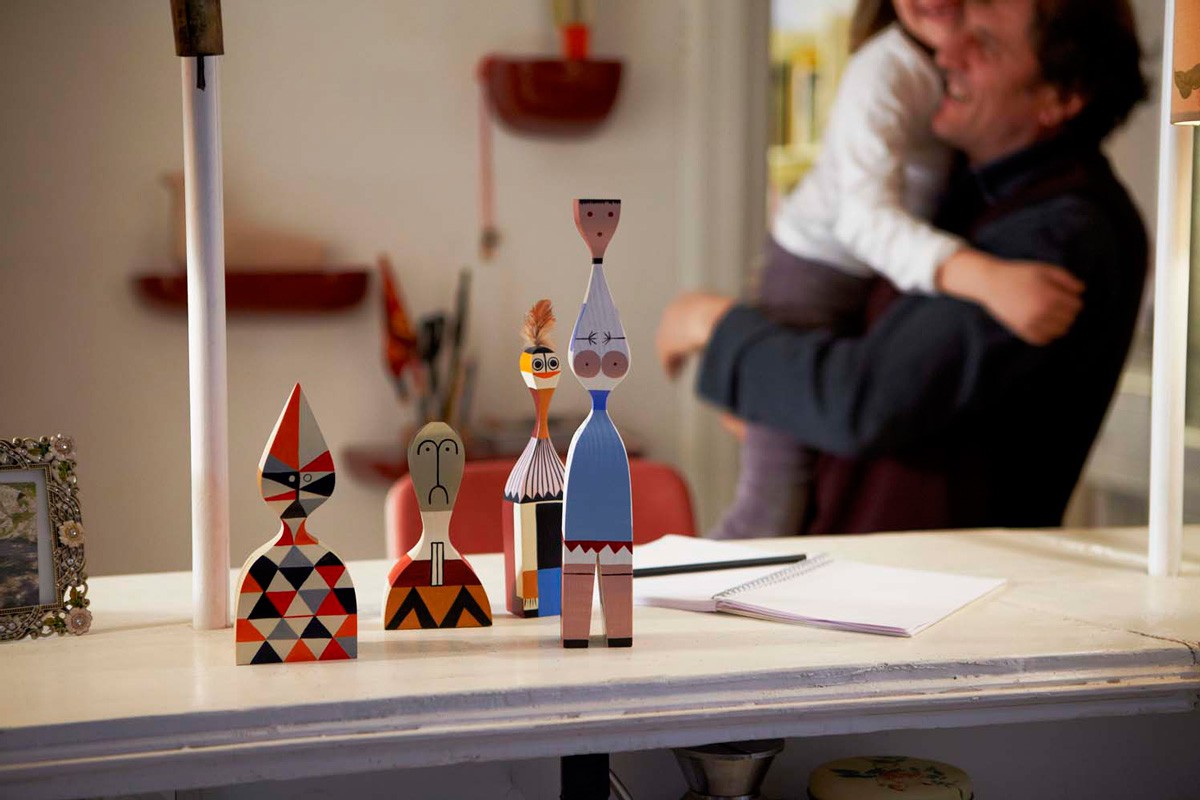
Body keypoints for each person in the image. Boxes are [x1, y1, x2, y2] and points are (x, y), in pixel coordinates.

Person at [658, 0, 1148, 534]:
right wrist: (773, 400)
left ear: (1062, 96)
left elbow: (866, 402)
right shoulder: (975, 189)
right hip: (885, 567)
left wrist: (712, 323)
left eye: (984, 45)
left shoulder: (1059, 231)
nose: (947, 52)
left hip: (929, 577)